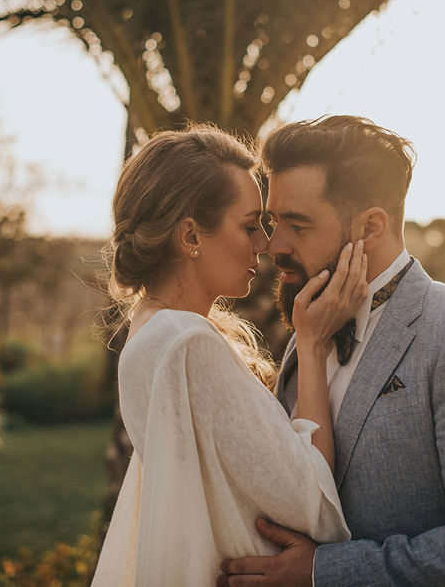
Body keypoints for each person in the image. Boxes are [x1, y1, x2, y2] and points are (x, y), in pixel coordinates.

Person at [219, 115, 445, 586]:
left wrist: (323, 573)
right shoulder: (305, 333)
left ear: (370, 227)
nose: (274, 246)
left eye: (297, 224)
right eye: (274, 222)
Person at [91, 125, 370, 586]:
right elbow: (313, 507)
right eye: (248, 225)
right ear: (189, 236)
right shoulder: (187, 344)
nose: (265, 243)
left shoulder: (148, 328)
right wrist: (313, 343)